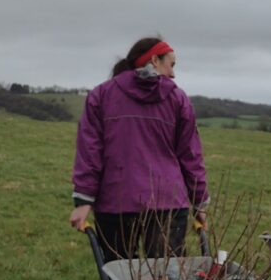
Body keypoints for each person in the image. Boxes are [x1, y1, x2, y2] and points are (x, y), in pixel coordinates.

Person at [69, 37, 209, 260]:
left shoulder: (101, 95)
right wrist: (199, 202)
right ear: (154, 60)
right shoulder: (178, 98)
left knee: (121, 276)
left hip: (116, 201)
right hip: (168, 202)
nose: (173, 74)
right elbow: (190, 155)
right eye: (171, 64)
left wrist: (84, 201)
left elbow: (89, 153)